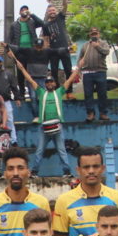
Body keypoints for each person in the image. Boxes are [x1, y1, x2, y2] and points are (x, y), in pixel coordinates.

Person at [8, 48, 80, 177]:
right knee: (39, 150)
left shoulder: (59, 92)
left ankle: (67, 172)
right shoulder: (41, 93)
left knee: (62, 150)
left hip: (57, 127)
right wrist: (21, 68)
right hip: (44, 127)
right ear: (45, 84)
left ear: (55, 83)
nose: (50, 84)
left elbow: (69, 80)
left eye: (51, 82)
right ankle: (34, 171)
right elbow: (29, 79)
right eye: (47, 82)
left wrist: (79, 67)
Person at [6, 38, 56, 122]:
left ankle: (44, 115)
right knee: (33, 97)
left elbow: (57, 51)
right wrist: (7, 45)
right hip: (32, 78)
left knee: (43, 97)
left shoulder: (47, 51)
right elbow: (18, 48)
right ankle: (36, 116)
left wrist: (68, 49)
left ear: (43, 46)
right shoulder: (29, 51)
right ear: (34, 46)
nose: (38, 48)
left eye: (40, 47)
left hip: (43, 79)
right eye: (37, 47)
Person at [76, 27, 111, 122]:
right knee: (88, 94)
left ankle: (103, 113)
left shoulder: (103, 43)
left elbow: (106, 52)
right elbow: (80, 59)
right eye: (92, 34)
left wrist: (97, 46)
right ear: (89, 35)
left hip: (100, 72)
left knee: (102, 94)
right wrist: (79, 69)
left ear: (99, 34)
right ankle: (90, 113)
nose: (94, 35)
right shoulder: (85, 45)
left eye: (96, 33)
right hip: (87, 73)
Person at [8, 5, 44, 96]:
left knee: (31, 71)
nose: (24, 11)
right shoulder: (14, 24)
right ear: (19, 12)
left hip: (31, 51)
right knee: (20, 72)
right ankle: (22, 93)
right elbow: (10, 39)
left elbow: (42, 23)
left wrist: (31, 14)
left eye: (26, 10)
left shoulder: (32, 22)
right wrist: (9, 50)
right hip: (19, 51)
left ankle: (33, 91)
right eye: (23, 10)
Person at [42, 0, 73, 85]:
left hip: (64, 48)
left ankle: (69, 91)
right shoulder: (46, 25)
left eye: (53, 10)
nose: (52, 12)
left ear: (55, 11)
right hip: (53, 51)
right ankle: (55, 89)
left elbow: (65, 6)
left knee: (68, 70)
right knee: (54, 72)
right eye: (50, 11)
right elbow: (46, 39)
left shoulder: (60, 18)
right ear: (47, 13)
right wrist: (46, 50)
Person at [0, 55, 21, 144]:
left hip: (6, 101)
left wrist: (17, 98)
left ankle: (14, 141)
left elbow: (14, 86)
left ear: (2, 62)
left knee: (10, 120)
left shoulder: (8, 74)